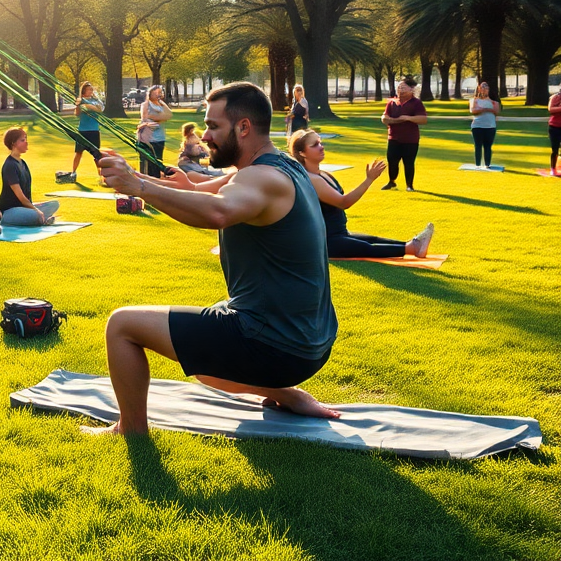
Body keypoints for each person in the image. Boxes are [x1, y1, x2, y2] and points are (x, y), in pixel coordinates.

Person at [91, 82, 338, 436]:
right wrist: (131, 176)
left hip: (278, 346)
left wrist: (140, 188)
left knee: (122, 325)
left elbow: (218, 212)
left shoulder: (263, 178)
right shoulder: (280, 166)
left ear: (243, 128)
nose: (205, 135)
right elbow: (194, 192)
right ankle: (286, 393)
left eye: (213, 126)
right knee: (203, 365)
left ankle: (130, 428)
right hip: (309, 341)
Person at [289, 129, 435, 259]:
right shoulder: (312, 179)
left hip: (341, 233)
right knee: (367, 248)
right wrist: (369, 180)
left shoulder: (324, 174)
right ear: (302, 153)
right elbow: (343, 202)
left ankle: (415, 243)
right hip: (326, 240)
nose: (321, 147)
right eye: (314, 145)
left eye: (320, 142)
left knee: (372, 239)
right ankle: (412, 248)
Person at [0, 128, 59, 226]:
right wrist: (35, 210)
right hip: (9, 211)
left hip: (24, 208)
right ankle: (40, 219)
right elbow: (20, 196)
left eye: (26, 139)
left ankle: (39, 218)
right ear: (13, 143)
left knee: (54, 204)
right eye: (22, 140)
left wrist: (34, 207)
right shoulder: (10, 165)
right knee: (36, 215)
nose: (26, 143)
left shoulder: (23, 163)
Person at [381, 77, 428, 191]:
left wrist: (408, 118)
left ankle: (409, 185)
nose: (400, 90)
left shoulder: (416, 103)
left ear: (412, 89)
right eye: (399, 87)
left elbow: (423, 119)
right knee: (392, 161)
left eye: (403, 88)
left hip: (410, 139)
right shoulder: (392, 103)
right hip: (393, 137)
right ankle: (392, 182)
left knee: (409, 163)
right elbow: (384, 117)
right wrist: (391, 120)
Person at [70, 82, 104, 177]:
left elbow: (100, 109)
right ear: (84, 91)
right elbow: (77, 113)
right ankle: (73, 172)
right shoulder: (81, 100)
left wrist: (89, 106)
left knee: (96, 154)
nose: (91, 91)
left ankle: (101, 175)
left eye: (91, 89)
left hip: (94, 130)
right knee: (79, 152)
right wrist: (79, 105)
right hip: (83, 131)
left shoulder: (96, 100)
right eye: (89, 89)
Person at [138, 85, 172, 178]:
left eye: (160, 92)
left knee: (158, 160)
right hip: (148, 138)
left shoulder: (161, 104)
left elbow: (169, 115)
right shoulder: (145, 105)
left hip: (160, 137)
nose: (158, 95)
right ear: (150, 94)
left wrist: (158, 118)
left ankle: (157, 180)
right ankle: (146, 180)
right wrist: (159, 118)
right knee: (149, 162)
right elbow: (145, 118)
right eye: (155, 93)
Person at [469, 82, 501, 168]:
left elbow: (496, 111)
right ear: (479, 89)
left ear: (488, 90)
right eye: (482, 87)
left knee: (488, 146)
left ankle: (487, 164)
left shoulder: (494, 102)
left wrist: (487, 109)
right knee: (478, 146)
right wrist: (484, 109)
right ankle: (478, 165)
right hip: (477, 126)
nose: (484, 89)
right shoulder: (474, 100)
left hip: (490, 126)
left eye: (486, 87)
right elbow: (473, 111)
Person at [550, 88, 561, 176]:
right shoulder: (555, 97)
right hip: (555, 126)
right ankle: (553, 169)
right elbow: (551, 109)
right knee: (555, 149)